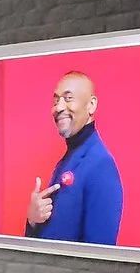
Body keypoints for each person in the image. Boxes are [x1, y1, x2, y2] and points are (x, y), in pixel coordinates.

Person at [24, 70, 124, 244]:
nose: (59, 107)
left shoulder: (101, 166)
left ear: (91, 105)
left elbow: (99, 258)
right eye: (56, 100)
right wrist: (33, 220)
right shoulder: (67, 161)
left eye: (68, 98)